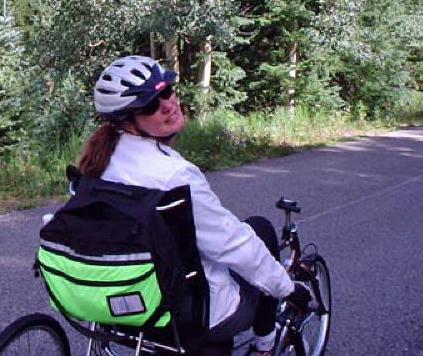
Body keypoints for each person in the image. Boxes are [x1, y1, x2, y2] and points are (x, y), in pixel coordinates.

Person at [80, 55, 311, 356]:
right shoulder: (174, 175)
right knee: (260, 232)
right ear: (128, 121)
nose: (168, 103)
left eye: (166, 90)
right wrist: (288, 289)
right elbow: (232, 244)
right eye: (151, 104)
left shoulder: (98, 164)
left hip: (124, 307)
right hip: (187, 315)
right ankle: (265, 345)